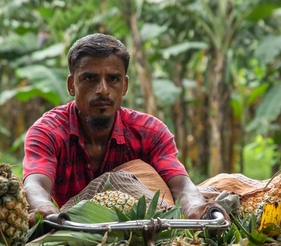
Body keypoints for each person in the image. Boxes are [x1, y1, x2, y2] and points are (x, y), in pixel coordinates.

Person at [23, 33, 221, 224]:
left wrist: (196, 206)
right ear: (71, 85)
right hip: (69, 225)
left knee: (228, 184)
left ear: (125, 86)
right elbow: (35, 183)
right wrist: (42, 207)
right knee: (116, 181)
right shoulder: (48, 132)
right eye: (90, 78)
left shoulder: (150, 132)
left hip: (142, 231)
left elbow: (181, 184)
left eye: (113, 79)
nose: (103, 90)